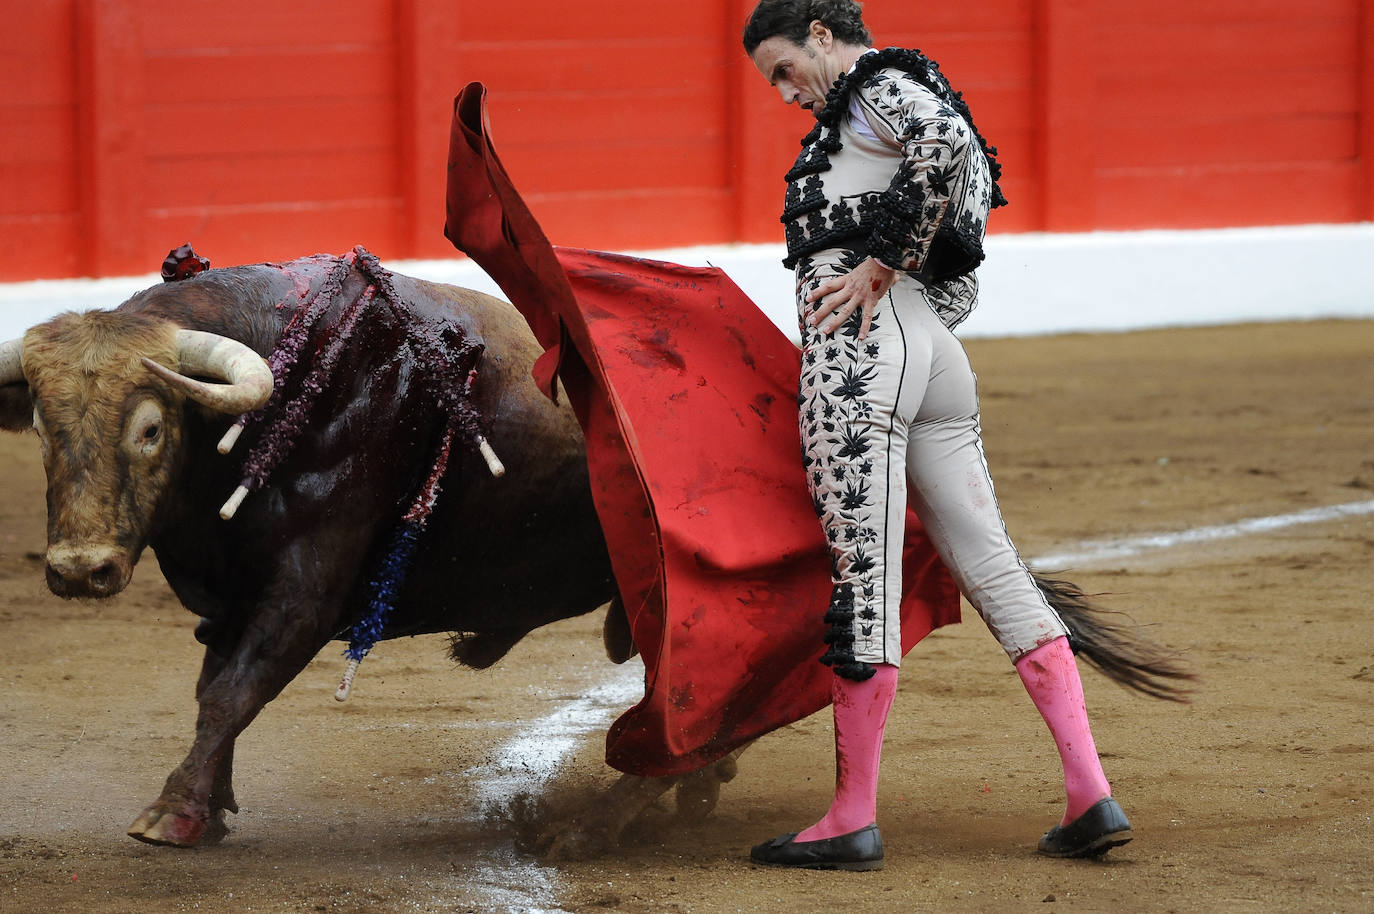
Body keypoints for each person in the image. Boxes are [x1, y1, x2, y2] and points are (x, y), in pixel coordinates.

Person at [742, 0, 1133, 870]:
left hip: (861, 357)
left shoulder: (872, 88)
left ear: (819, 35)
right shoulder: (910, 89)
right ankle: (1089, 795)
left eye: (781, 68)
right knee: (995, 566)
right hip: (932, 352)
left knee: (863, 579)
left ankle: (851, 816)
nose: (783, 92)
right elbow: (966, 212)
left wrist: (877, 273)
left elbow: (945, 146)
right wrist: (918, 311)